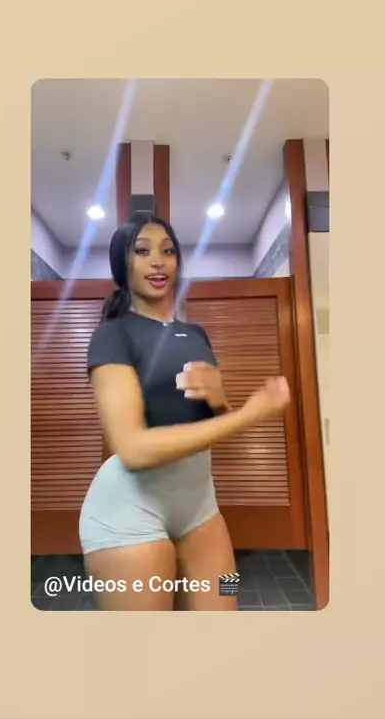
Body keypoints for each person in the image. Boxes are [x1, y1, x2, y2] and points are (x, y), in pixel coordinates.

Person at [79, 214, 290, 611]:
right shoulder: (112, 335)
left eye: (168, 250)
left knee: (226, 602)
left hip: (200, 511)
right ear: (123, 264)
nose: (157, 261)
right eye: (142, 251)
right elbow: (133, 449)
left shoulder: (195, 334)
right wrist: (249, 414)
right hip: (128, 513)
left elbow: (214, 424)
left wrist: (221, 400)